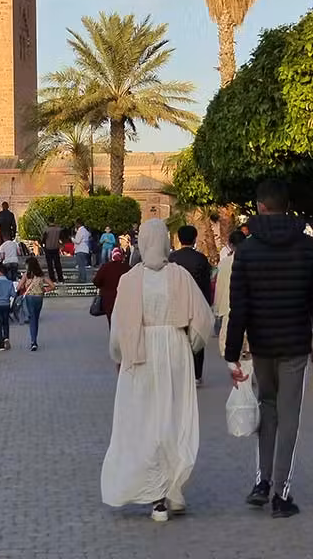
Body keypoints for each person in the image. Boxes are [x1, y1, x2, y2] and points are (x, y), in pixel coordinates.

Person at [225, 179, 313, 518]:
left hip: (262, 346)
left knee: (266, 412)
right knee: (289, 418)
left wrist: (231, 353)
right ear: (288, 206)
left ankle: (262, 482)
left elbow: (238, 306)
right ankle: (282, 495)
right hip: (295, 346)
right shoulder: (310, 250)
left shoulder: (247, 251)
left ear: (260, 206)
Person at [102, 219, 213, 521]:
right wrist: (189, 343)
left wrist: (119, 355)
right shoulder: (180, 276)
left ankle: (159, 496)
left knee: (145, 420)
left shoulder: (130, 280)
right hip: (174, 351)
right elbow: (203, 319)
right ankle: (171, 490)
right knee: (172, 419)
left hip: (141, 353)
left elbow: (120, 328)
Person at [169, 225, 213, 386]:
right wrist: (208, 305)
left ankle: (180, 372)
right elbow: (206, 284)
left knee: (178, 339)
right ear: (195, 238)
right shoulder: (201, 258)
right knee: (197, 339)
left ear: (179, 239)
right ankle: (196, 374)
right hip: (197, 303)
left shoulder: (172, 258)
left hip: (176, 304)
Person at [213, 230, 246, 356]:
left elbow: (219, 287)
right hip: (248, 310)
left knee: (229, 347)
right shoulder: (253, 260)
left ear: (230, 244)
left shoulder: (224, 263)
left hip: (228, 308)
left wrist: (217, 308)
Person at [16, 255, 55, 351]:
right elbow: (53, 285)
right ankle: (34, 339)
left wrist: (24, 286)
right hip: (39, 298)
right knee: (36, 318)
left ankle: (33, 341)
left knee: (32, 319)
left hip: (29, 298)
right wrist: (44, 289)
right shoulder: (41, 275)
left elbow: (18, 287)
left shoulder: (27, 275)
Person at [93, 247, 130, 326]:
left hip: (108, 300)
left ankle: (114, 337)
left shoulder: (106, 267)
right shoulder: (127, 267)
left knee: (112, 323)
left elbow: (96, 281)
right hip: (125, 300)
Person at [42, 218, 64, 283]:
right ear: (54, 221)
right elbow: (62, 238)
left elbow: (43, 239)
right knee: (57, 264)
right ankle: (60, 278)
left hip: (48, 248)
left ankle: (53, 279)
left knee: (50, 265)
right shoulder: (58, 229)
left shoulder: (47, 230)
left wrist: (43, 246)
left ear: (49, 222)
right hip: (56, 248)